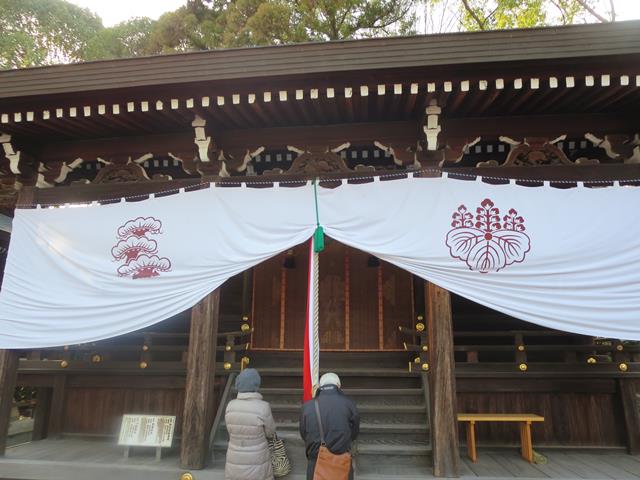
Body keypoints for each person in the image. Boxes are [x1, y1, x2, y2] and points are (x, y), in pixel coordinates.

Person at [299, 372, 360, 480]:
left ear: (320, 386)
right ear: (339, 386)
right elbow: (354, 433)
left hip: (316, 462)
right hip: (341, 461)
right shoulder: (349, 404)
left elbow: (304, 434)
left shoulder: (307, 406)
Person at [225, 368, 276, 480]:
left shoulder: (230, 406)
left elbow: (230, 431)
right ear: (256, 384)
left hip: (235, 456)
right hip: (257, 458)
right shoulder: (263, 407)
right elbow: (270, 432)